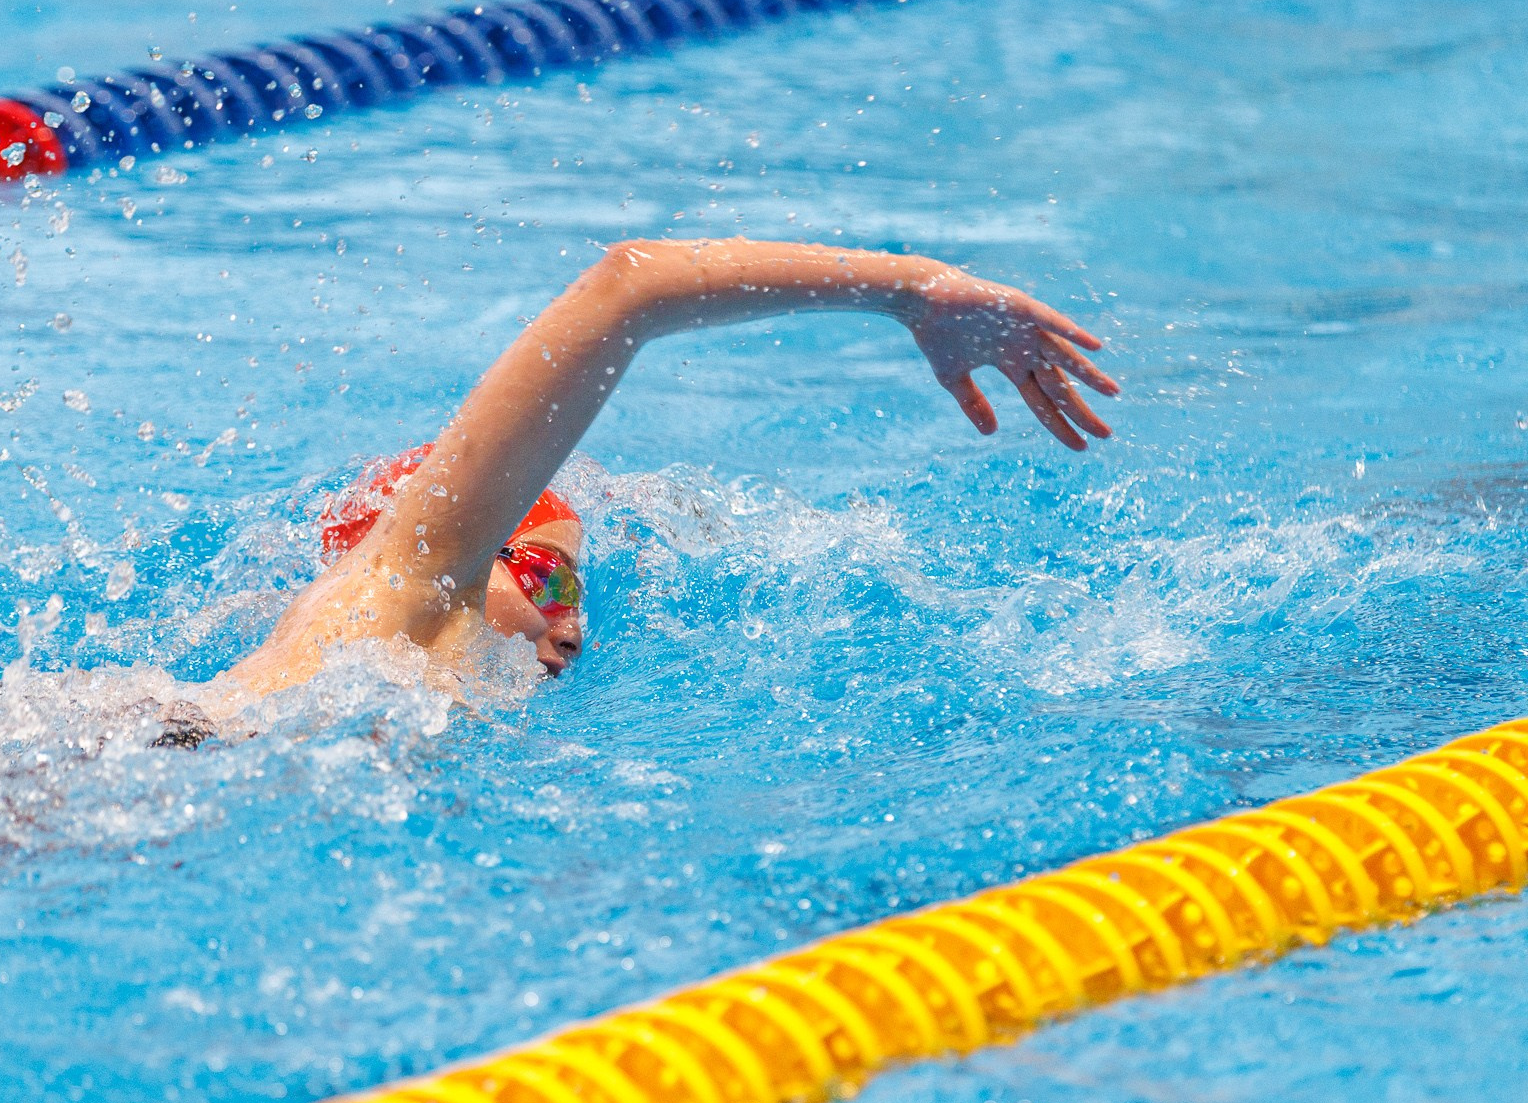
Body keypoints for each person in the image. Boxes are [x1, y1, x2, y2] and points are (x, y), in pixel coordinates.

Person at [160, 236, 1114, 743]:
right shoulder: (395, 603)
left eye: (559, 586)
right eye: (539, 578)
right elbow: (629, 284)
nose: (563, 629)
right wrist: (912, 288)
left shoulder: (397, 676)